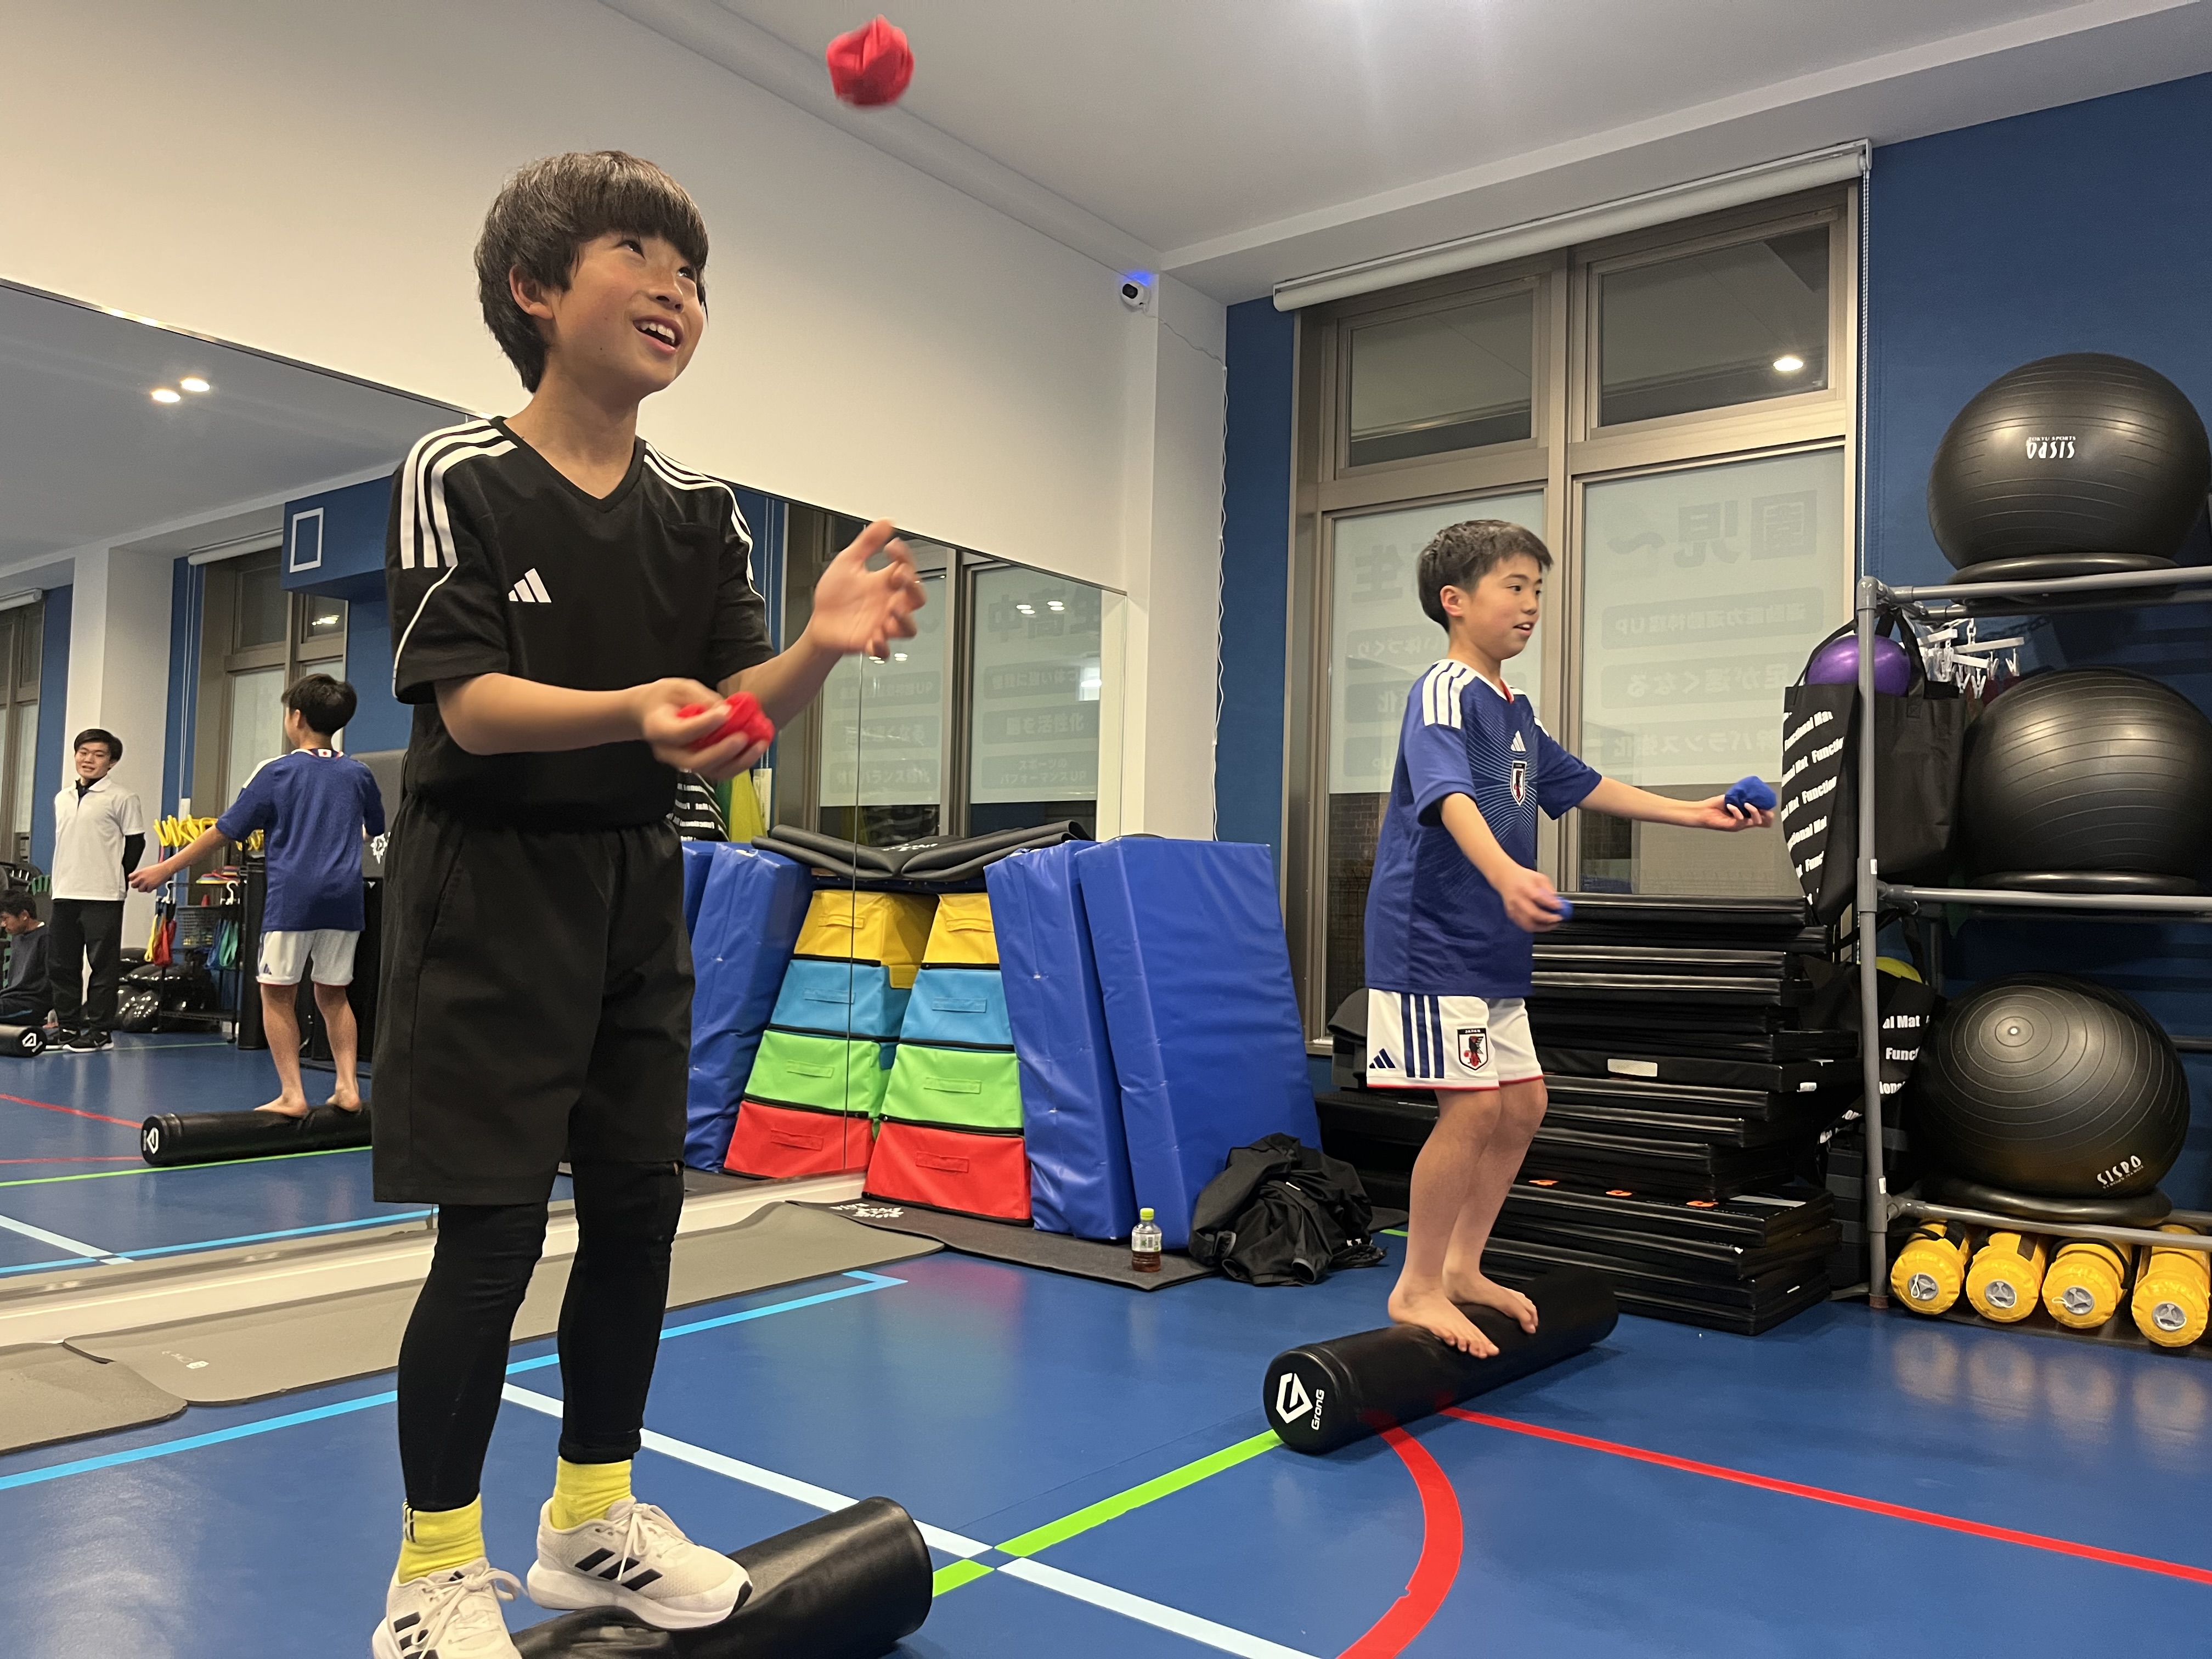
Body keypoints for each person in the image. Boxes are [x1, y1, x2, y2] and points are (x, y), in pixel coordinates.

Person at [369, 151, 924, 1659]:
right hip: (486, 889)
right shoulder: (457, 472)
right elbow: (469, 707)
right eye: (641, 254)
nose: (679, 290)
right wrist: (634, 710)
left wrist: (814, 648)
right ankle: (432, 1577)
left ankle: (589, 1522)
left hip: (636, 883)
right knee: (491, 1238)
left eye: (695, 274)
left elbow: (733, 722)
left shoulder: (702, 510)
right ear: (535, 290)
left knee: (636, 1210)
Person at [1362, 520, 1774, 1358]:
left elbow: (1581, 782)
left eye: (1538, 590)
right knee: (1474, 1107)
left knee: (1523, 1105)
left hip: (1491, 945)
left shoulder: (1514, 709)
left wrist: (1694, 814)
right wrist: (1507, 875)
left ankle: (1464, 1267)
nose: (1531, 605)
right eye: (1514, 587)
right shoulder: (1443, 690)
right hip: (1428, 942)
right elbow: (1447, 798)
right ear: (1454, 600)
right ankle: (1418, 1283)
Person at [131, 674, 384, 1116]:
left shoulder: (278, 771)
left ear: (296, 718)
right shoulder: (359, 773)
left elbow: (224, 830)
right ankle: (348, 1087)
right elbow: (375, 827)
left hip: (293, 899)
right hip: (345, 898)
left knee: (276, 994)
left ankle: (292, 1094)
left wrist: (166, 868)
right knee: (334, 994)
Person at [48, 729, 146, 1052]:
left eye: (99, 755)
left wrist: (120, 877)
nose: (89, 759)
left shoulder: (123, 798)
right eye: (84, 752)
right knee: (61, 964)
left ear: (112, 762)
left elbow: (136, 842)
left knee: (102, 966)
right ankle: (67, 1027)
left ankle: (100, 1032)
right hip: (65, 892)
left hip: (103, 895)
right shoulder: (62, 798)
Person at [0, 893, 49, 1028]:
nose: (3, 925)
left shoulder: (47, 938)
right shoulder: (17, 938)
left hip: (32, 1005)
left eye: (5, 918)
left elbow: (59, 980)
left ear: (24, 915)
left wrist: (58, 1014)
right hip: (10, 1000)